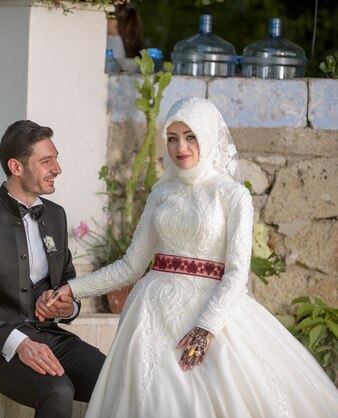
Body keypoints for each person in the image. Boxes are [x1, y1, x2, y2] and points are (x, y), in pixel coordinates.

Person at [40, 97, 338, 417]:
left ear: (208, 136)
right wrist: (74, 289)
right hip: (150, 316)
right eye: (172, 138)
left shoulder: (232, 195)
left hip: (209, 316)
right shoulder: (161, 193)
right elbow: (131, 264)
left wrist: (207, 328)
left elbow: (237, 273)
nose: (181, 147)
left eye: (190, 136)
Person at [0, 120, 106, 418]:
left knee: (115, 380)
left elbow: (68, 281)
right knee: (59, 391)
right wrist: (19, 343)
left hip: (51, 336)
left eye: (56, 159)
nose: (57, 168)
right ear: (16, 167)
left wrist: (66, 306)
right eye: (47, 161)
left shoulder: (56, 216)